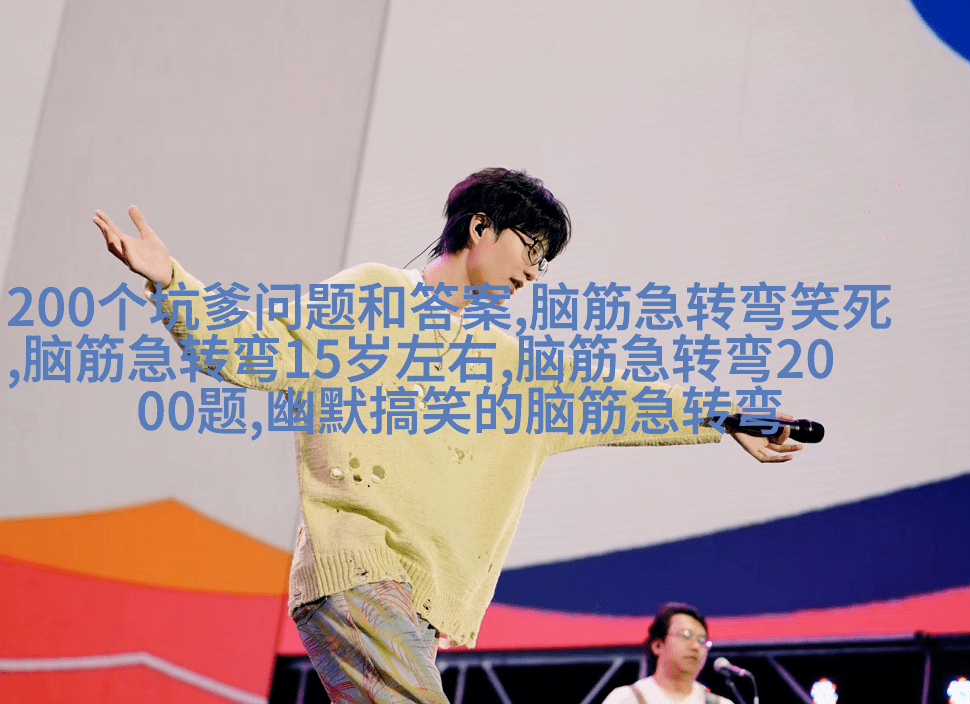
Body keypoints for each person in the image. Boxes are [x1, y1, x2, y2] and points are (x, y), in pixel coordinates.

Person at [93, 168, 802, 703]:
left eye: (546, 261)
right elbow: (256, 347)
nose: (535, 272)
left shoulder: (510, 367)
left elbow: (615, 399)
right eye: (531, 248)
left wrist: (727, 417)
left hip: (419, 604)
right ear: (480, 228)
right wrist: (171, 282)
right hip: (358, 569)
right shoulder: (372, 295)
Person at [602, 603, 734, 704]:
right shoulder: (627, 698)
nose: (695, 646)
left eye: (701, 640)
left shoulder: (721, 703)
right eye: (686, 635)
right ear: (658, 645)